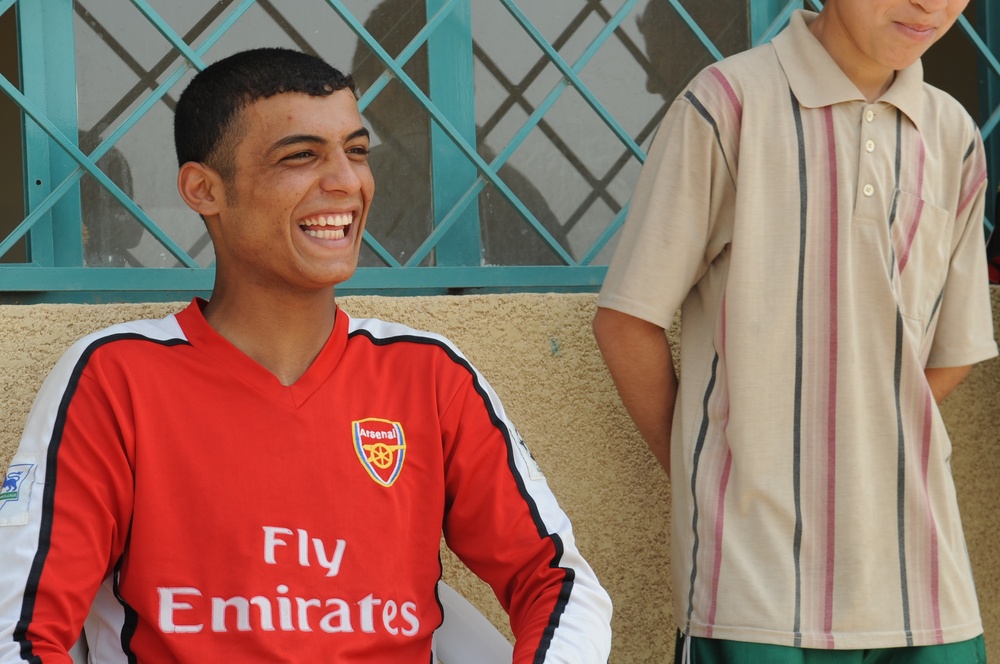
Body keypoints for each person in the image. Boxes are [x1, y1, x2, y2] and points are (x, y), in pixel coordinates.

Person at [0, 47, 613, 663]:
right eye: (301, 156)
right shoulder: (115, 378)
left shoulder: (428, 375)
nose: (347, 181)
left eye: (357, 151)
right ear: (204, 189)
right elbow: (21, 631)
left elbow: (557, 582)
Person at [593, 0, 996, 662]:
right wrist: (718, 475)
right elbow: (626, 322)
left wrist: (863, 443)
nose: (932, 4)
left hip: (925, 585)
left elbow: (953, 351)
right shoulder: (728, 106)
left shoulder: (954, 137)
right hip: (754, 593)